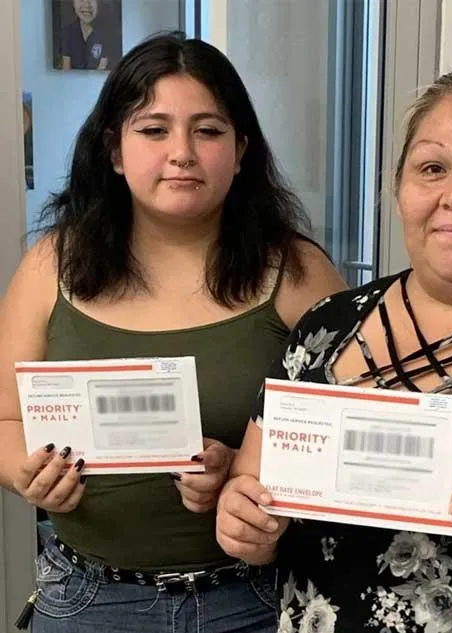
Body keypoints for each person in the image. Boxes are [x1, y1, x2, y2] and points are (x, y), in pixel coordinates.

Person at [217, 67, 452, 633]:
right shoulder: (326, 327)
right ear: (399, 190)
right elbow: (252, 488)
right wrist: (245, 524)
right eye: (432, 168)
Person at [0, 33, 345, 633]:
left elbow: (349, 439)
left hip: (258, 600)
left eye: (207, 130)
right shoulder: (51, 266)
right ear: (114, 150)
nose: (182, 152)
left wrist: (243, 468)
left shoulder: (297, 271)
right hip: (88, 600)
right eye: (154, 129)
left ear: (240, 150)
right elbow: (5, 420)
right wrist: (23, 473)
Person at [58, 0, 113, 70]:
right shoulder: (67, 33)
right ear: (73, 3)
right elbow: (66, 70)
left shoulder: (108, 35)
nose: (87, 5)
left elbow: (101, 70)